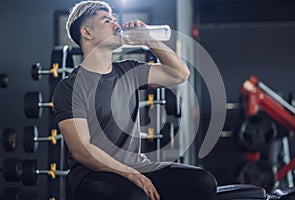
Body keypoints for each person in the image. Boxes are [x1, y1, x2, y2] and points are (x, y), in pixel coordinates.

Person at [53, 1, 217, 200]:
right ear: (87, 33)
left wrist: (149, 40)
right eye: (107, 20)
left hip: (138, 165)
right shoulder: (69, 87)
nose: (116, 24)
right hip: (92, 175)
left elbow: (179, 74)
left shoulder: (129, 70)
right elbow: (82, 151)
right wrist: (131, 174)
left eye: (115, 19)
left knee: (202, 182)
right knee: (135, 196)